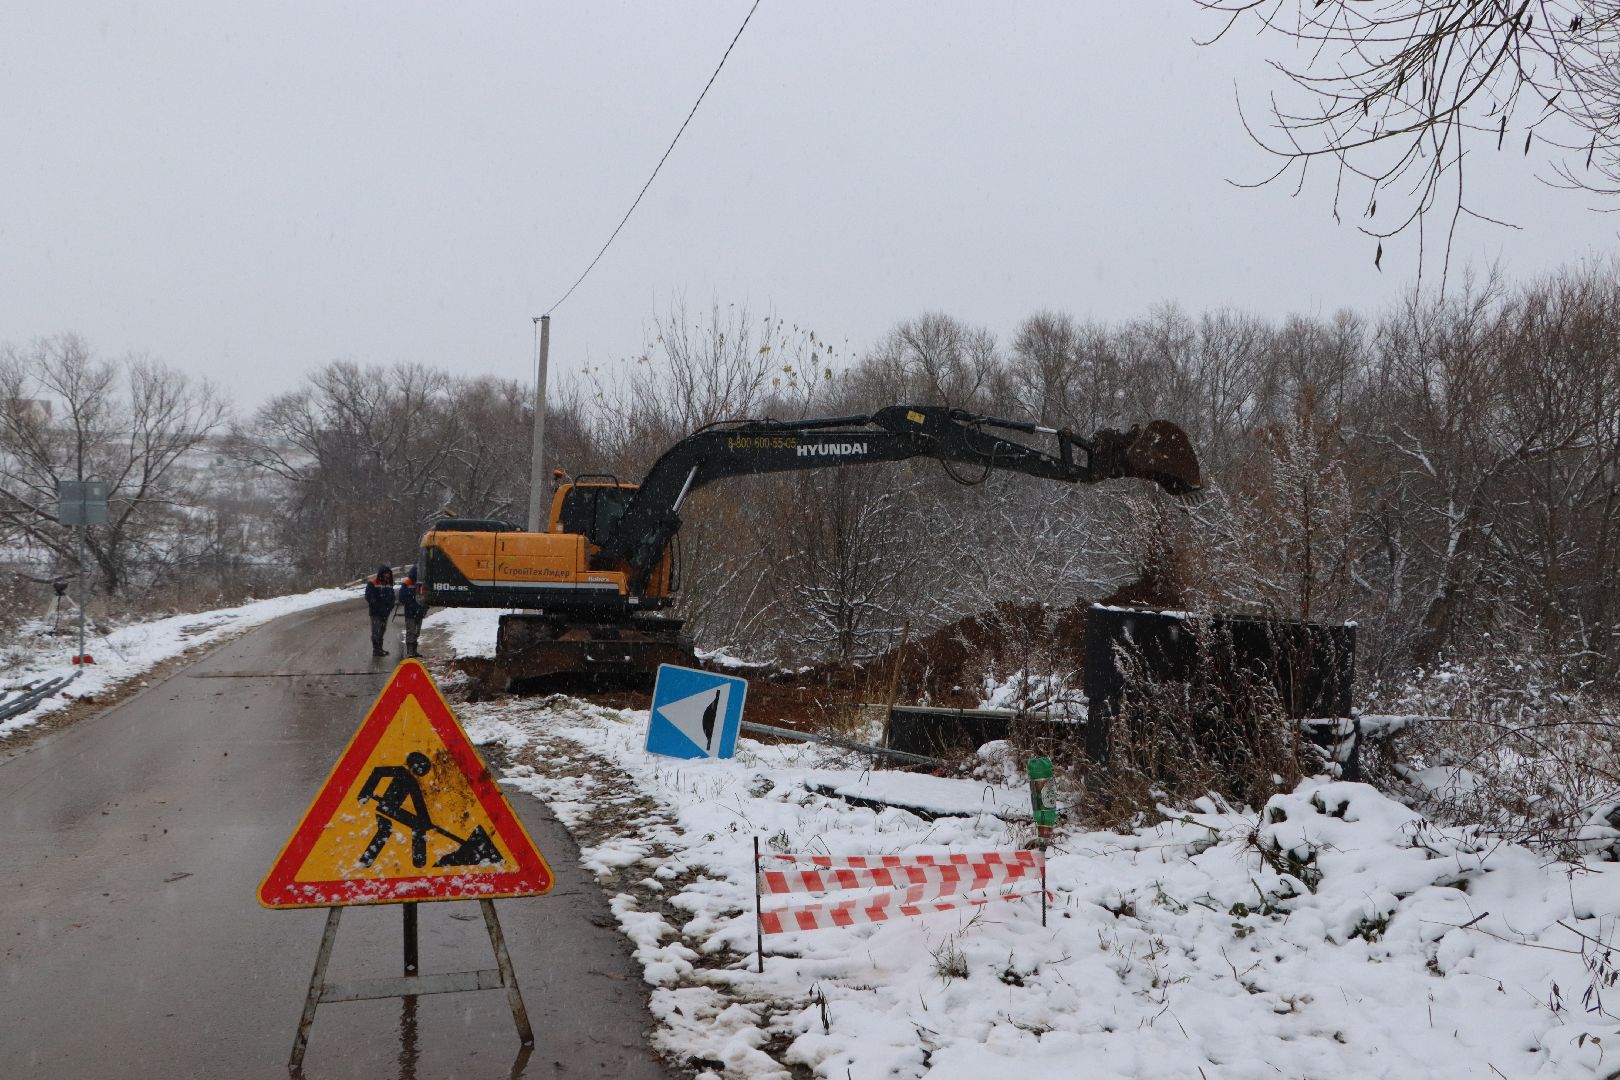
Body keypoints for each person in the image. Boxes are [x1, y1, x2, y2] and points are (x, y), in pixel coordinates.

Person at [398, 565, 429, 659]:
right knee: (411, 631)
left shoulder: (422, 584)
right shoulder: (407, 583)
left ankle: (414, 650)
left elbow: (426, 597)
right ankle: (410, 651)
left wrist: (424, 608)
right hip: (410, 613)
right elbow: (402, 598)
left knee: (417, 632)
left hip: (419, 612)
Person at [364, 564, 395, 657]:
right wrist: (376, 604)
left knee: (382, 630)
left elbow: (392, 597)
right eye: (386, 574)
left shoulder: (389, 584)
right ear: (382, 574)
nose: (387, 575)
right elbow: (368, 596)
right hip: (376, 612)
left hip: (386, 612)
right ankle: (376, 650)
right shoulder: (373, 583)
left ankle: (380, 648)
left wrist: (390, 606)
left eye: (388, 574)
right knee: (376, 631)